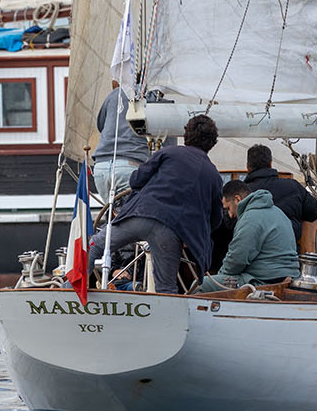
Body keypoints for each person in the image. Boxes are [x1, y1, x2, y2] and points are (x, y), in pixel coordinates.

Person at [85, 113, 225, 294]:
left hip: (140, 215)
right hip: (169, 232)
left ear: (186, 134)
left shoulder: (168, 153)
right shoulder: (213, 175)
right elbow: (214, 219)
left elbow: (136, 181)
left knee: (95, 246)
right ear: (212, 143)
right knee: (166, 288)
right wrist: (188, 235)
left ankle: (69, 292)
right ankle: (166, 321)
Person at [199, 179, 300, 292]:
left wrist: (219, 277)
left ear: (237, 199)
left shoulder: (250, 218)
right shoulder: (278, 212)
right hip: (289, 277)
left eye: (228, 208)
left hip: (263, 280)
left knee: (200, 285)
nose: (230, 215)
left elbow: (236, 260)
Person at [241, 144, 317, 245]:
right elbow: (314, 213)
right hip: (288, 253)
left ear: (248, 167)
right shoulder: (293, 186)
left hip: (255, 255)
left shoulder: (242, 193)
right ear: (271, 164)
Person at [91, 82, 149, 199]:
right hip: (130, 165)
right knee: (130, 215)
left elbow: (101, 125)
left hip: (101, 167)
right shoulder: (153, 98)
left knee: (113, 215)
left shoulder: (114, 94)